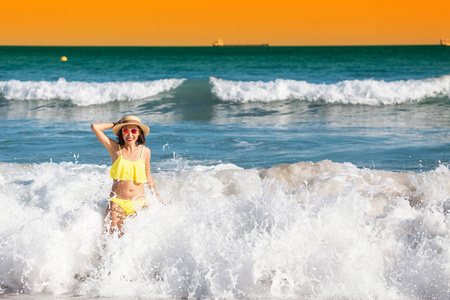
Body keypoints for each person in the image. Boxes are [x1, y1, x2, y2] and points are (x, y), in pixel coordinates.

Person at [91, 115, 164, 236]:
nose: (130, 135)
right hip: (118, 203)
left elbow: (148, 177)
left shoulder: (145, 151)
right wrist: (115, 124)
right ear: (121, 133)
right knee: (112, 238)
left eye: (134, 131)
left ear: (139, 133)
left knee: (135, 240)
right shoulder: (115, 148)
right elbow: (95, 127)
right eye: (125, 130)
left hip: (138, 203)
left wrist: (157, 198)